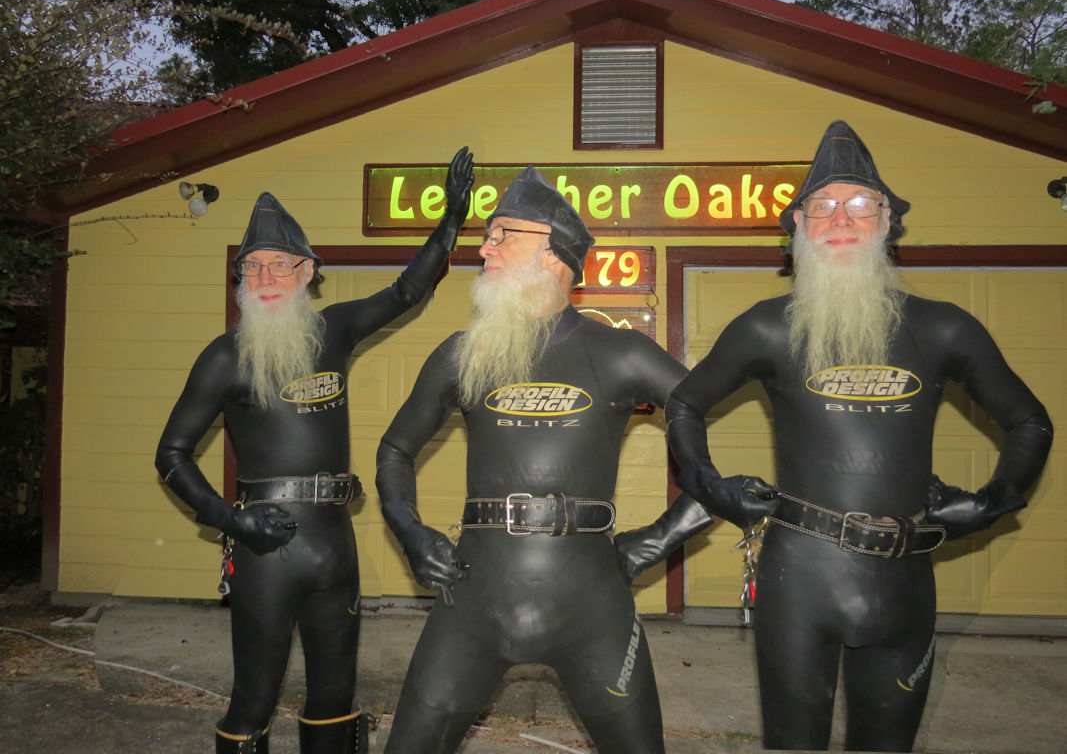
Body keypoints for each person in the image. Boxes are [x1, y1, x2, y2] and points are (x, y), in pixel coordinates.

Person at [664, 120, 1053, 752]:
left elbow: (1030, 420)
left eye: (860, 204)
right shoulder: (768, 328)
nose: (841, 218)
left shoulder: (944, 329)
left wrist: (993, 501)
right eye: (823, 206)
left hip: (904, 584)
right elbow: (684, 403)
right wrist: (708, 485)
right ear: (799, 228)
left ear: (887, 222)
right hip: (800, 579)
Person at [374, 166, 711, 753]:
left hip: (591, 605)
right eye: (487, 235)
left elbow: (710, 454)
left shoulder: (622, 353)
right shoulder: (462, 354)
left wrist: (655, 540)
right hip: (472, 600)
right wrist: (411, 532)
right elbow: (395, 448)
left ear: (555, 252)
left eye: (503, 233)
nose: (484, 247)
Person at [154, 146, 474, 754]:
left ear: (307, 272)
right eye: (253, 268)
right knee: (254, 697)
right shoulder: (225, 357)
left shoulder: (335, 331)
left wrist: (451, 221)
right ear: (240, 281)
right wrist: (230, 520)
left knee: (335, 696)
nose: (265, 277)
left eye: (279, 265)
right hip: (263, 546)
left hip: (334, 543)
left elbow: (408, 290)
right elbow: (171, 453)